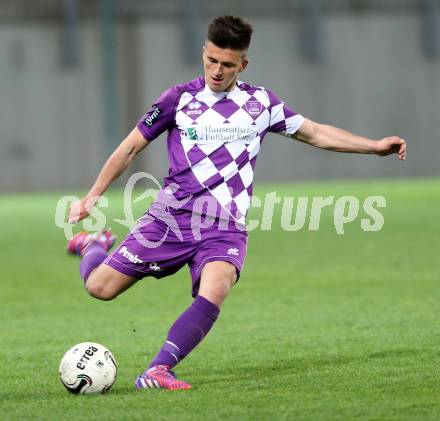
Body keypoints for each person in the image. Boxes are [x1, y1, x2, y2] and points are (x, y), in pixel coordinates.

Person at [67, 15, 406, 390]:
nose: (217, 70)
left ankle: (159, 369)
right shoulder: (178, 99)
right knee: (100, 288)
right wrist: (93, 195)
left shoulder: (260, 103)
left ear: (243, 64)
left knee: (217, 286)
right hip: (172, 218)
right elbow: (131, 146)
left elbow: (316, 132)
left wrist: (373, 147)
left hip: (224, 225)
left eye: (227, 64)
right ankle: (93, 245)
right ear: (204, 53)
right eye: (211, 60)